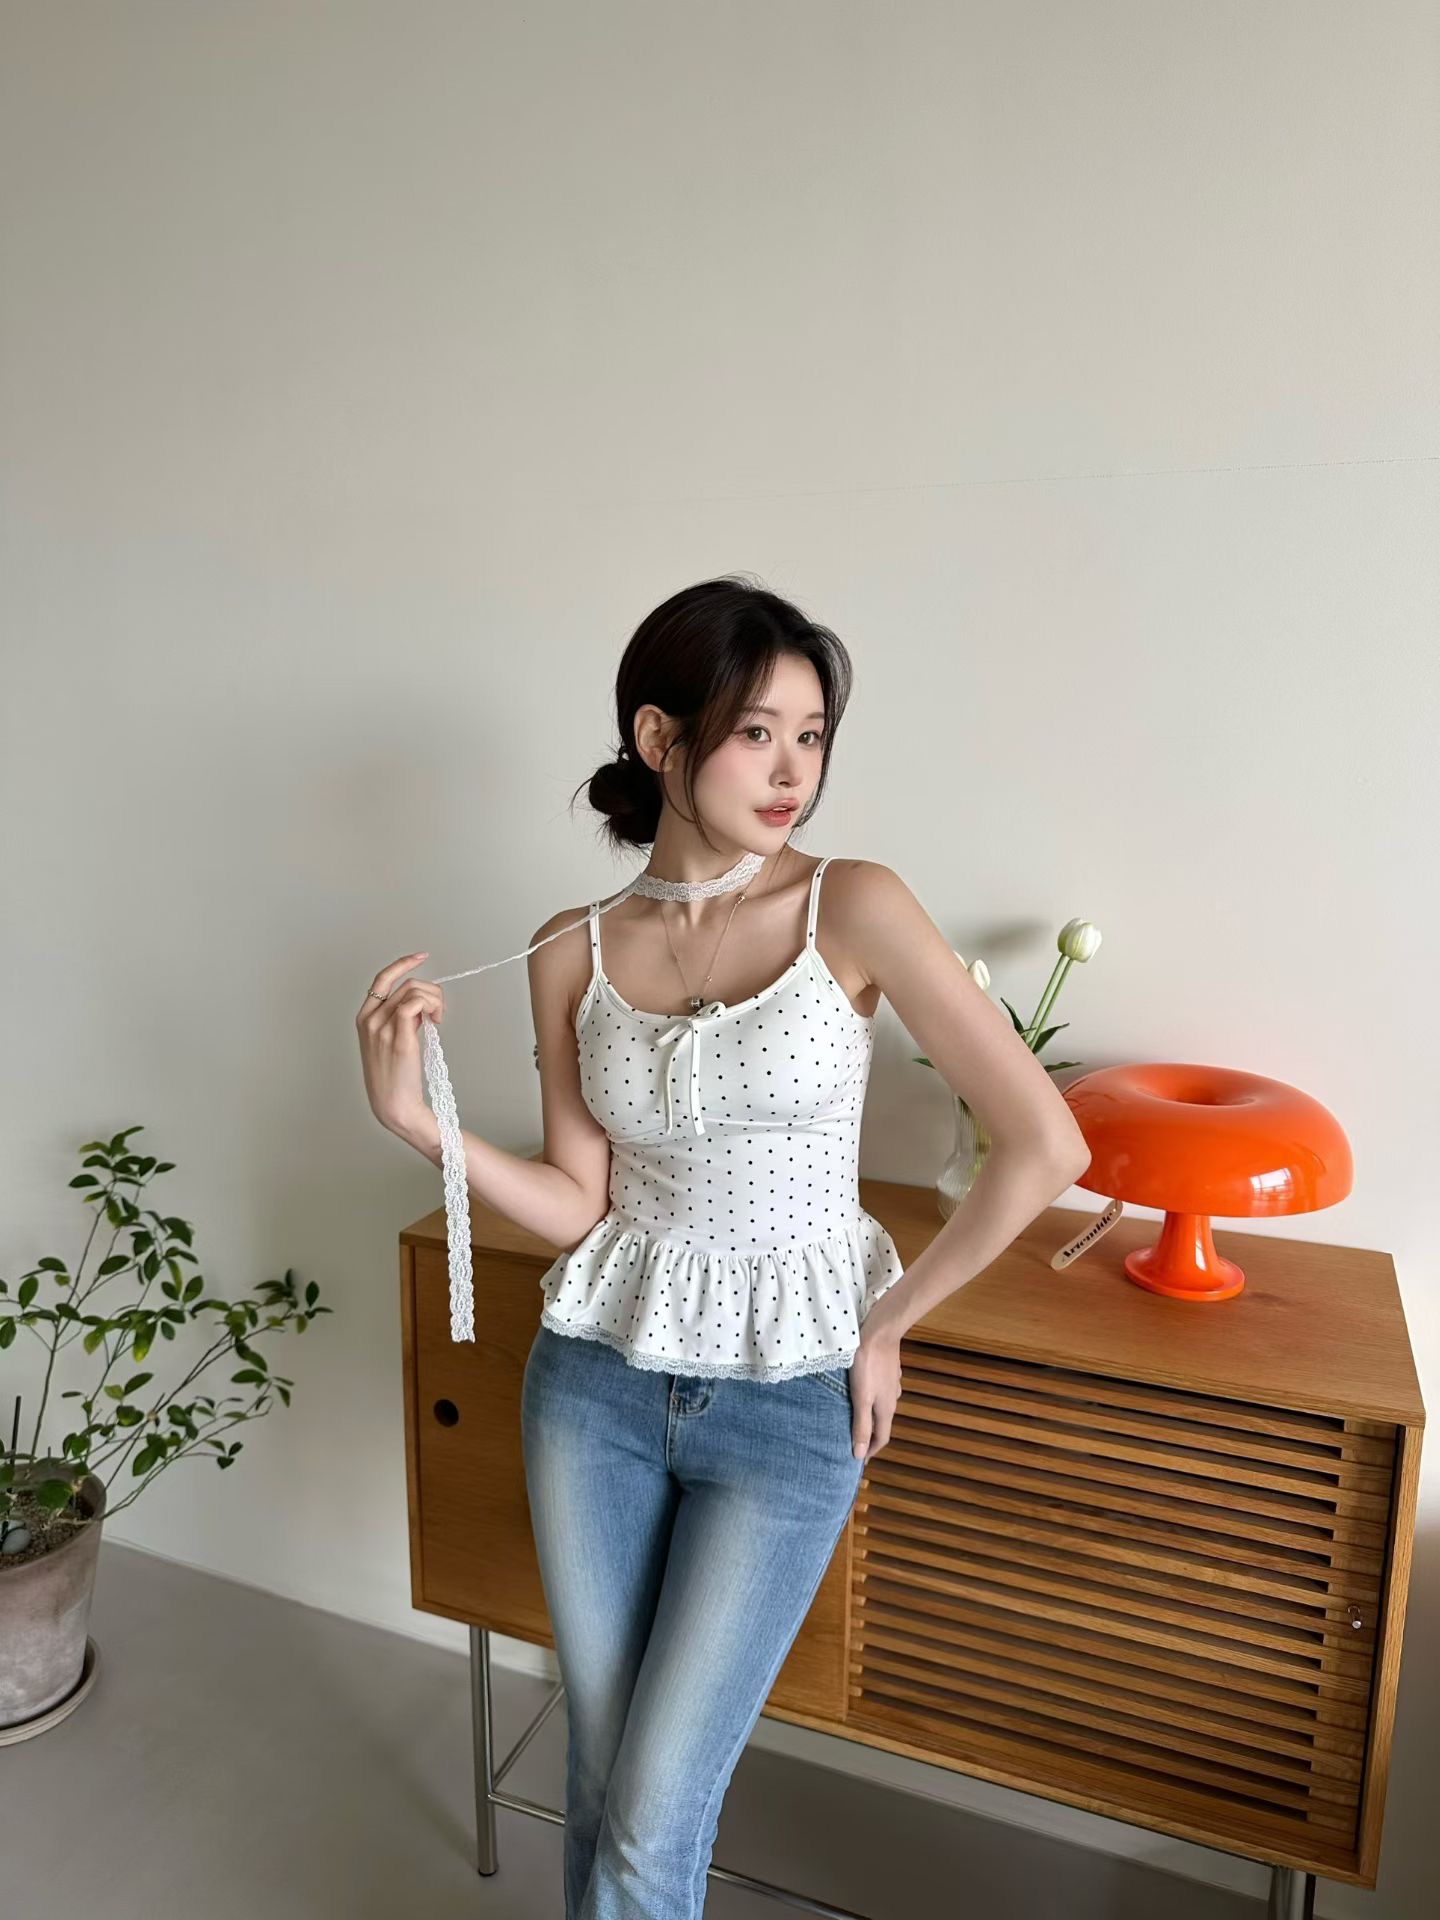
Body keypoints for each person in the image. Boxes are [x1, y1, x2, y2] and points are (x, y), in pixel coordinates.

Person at [356, 574, 1090, 1917]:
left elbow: (1044, 1143)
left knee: (653, 1810)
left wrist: (887, 1322)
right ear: (660, 738)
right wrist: (419, 1124)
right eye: (758, 733)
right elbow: (580, 1202)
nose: (793, 770)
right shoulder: (569, 949)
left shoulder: (852, 905)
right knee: (600, 1766)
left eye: (812, 736)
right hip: (593, 1389)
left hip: (789, 1404)